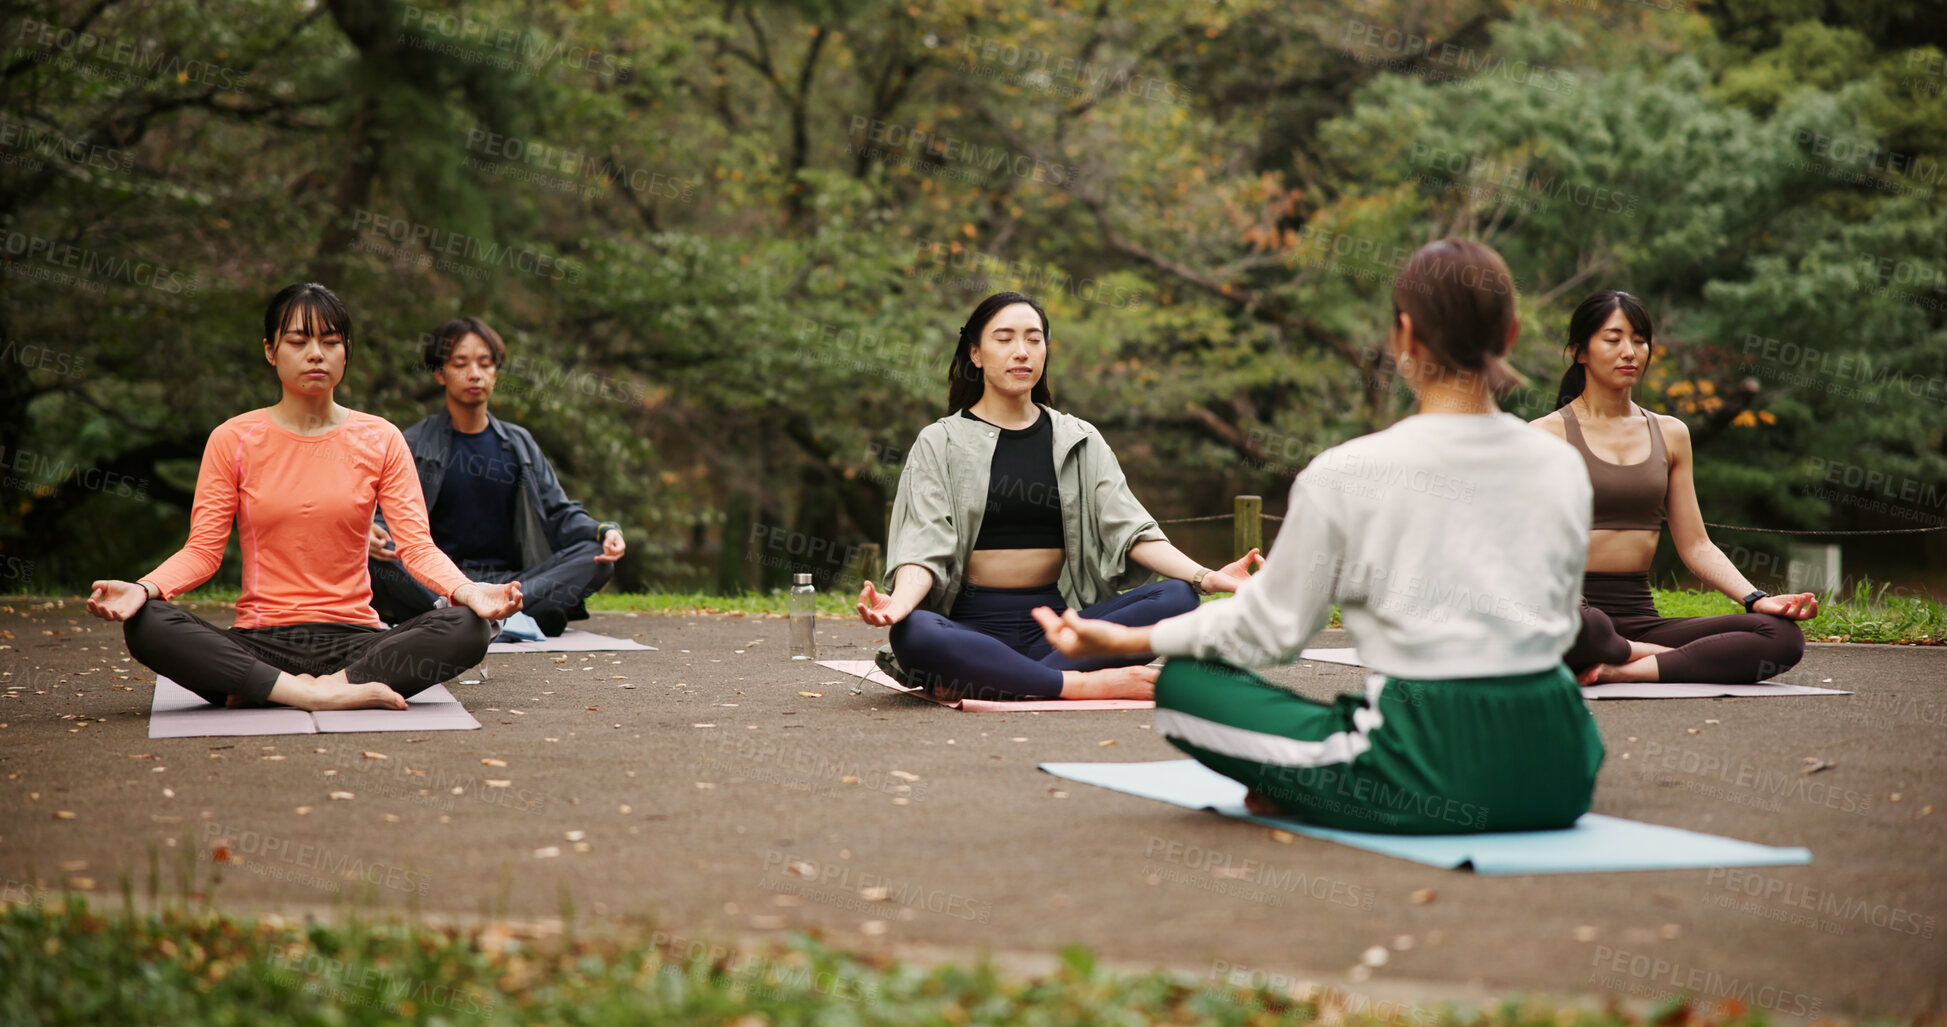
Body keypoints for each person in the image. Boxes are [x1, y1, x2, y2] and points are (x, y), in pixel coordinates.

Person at [1035, 240, 1604, 834]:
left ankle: (1317, 786)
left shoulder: (1347, 472)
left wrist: (1130, 639)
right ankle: (1325, 770)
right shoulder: (1560, 464)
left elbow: (1270, 630)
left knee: (1184, 683)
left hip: (1427, 761)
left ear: (1404, 336)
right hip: (1562, 768)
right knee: (1365, 709)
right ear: (1511, 334)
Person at [86, 283, 521, 711]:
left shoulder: (381, 437)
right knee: (147, 621)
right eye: (298, 341)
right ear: (270, 351)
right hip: (260, 644)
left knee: (467, 626)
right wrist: (144, 589)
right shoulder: (233, 438)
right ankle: (313, 694)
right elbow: (202, 551)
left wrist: (468, 591)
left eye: (330, 342)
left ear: (345, 351)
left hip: (356, 645)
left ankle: (289, 689)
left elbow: (417, 548)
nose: (316, 353)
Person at [856, 291, 1263, 702]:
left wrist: (1207, 577)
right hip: (970, 629)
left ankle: (1005, 679)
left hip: (1061, 632)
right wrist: (898, 606)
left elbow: (1133, 531)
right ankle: (1080, 684)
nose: (1022, 352)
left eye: (1034, 339)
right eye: (1005, 339)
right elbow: (921, 548)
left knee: (1177, 597)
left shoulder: (1079, 439)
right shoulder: (940, 442)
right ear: (976, 354)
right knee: (914, 632)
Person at [1535, 291, 1816, 684]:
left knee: (1781, 637)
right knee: (1583, 627)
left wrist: (1757, 599)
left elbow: (1696, 545)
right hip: (1572, 613)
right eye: (1613, 339)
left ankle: (1618, 669)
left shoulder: (1670, 434)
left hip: (1639, 617)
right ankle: (1672, 660)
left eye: (1639, 339)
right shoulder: (1544, 436)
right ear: (1580, 352)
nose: (1629, 351)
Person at [367, 317, 625, 637]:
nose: (475, 373)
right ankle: (519, 618)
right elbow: (388, 517)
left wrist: (604, 531)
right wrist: (374, 530)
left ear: (495, 372)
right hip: (438, 579)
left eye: (485, 363)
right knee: (374, 559)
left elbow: (559, 512)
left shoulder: (519, 443)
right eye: (460, 363)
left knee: (596, 557)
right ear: (439, 373)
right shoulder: (414, 443)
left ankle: (474, 617)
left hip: (513, 581)